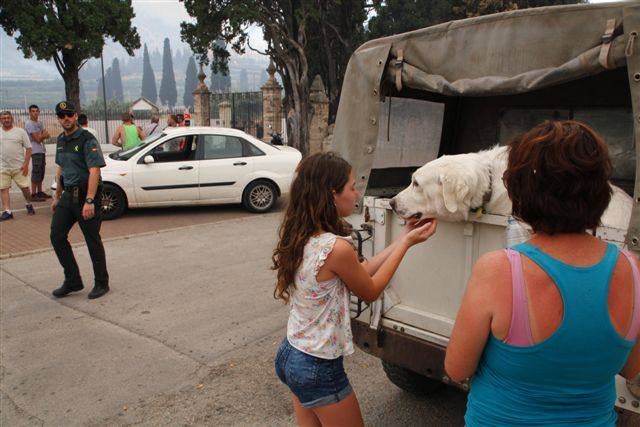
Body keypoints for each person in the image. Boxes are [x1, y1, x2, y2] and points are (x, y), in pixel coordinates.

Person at [445, 120, 640, 426]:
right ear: (602, 190)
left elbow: (457, 369)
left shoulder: (499, 270)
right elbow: (631, 367)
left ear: (521, 190)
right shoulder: (632, 268)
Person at [272, 152, 438, 426]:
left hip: (292, 353)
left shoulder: (304, 235)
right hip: (317, 366)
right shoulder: (337, 248)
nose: (357, 194)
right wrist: (407, 245)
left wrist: (403, 237)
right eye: (351, 187)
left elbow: (364, 270)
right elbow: (370, 291)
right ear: (332, 194)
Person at [50, 101, 109, 300]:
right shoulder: (60, 140)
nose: (65, 118)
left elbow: (95, 170)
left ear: (76, 116)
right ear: (58, 119)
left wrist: (90, 200)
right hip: (68, 195)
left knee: (92, 240)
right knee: (57, 236)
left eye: (69, 114)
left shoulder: (87, 139)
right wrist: (57, 196)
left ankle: (102, 283)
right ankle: (73, 280)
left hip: (86, 194)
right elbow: (61, 169)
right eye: (61, 115)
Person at [0, 111, 35, 220]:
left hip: (19, 167)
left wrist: (25, 164)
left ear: (12, 119)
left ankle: (29, 203)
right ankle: (7, 211)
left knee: (25, 189)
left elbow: (29, 148)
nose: (6, 120)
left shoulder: (20, 132)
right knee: (3, 188)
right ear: (0, 120)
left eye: (8, 118)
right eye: (3, 118)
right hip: (3, 167)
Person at [24, 104, 51, 201]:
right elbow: (37, 139)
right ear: (30, 112)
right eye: (33, 111)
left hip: (42, 150)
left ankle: (40, 191)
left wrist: (42, 135)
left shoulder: (40, 123)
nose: (35, 113)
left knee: (41, 171)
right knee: (36, 171)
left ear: (39, 112)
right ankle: (34, 193)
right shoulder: (29, 123)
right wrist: (42, 135)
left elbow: (47, 134)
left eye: (36, 111)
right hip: (35, 151)